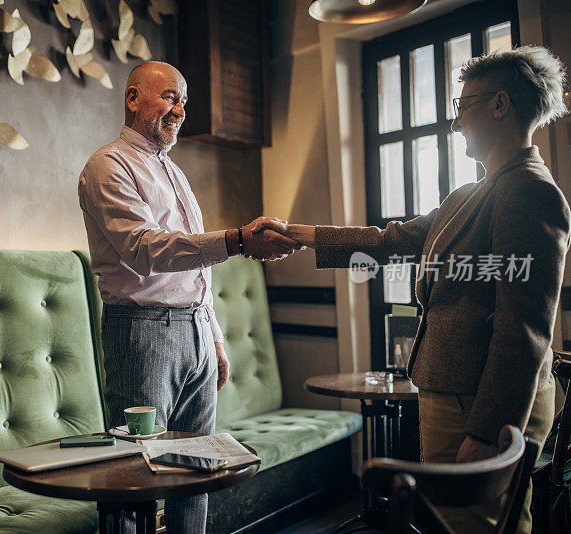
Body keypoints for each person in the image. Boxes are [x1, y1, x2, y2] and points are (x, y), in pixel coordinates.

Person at [258, 45, 569, 533]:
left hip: (482, 405)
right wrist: (298, 235)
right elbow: (389, 242)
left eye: (462, 106)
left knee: (476, 526)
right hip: (452, 396)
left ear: (500, 104)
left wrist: (488, 431)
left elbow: (524, 328)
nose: (456, 121)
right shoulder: (469, 194)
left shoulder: (530, 191)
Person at [77, 61, 298, 533]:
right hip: (141, 333)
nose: (179, 110)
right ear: (133, 99)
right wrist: (237, 240)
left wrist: (213, 336)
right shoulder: (107, 166)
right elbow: (144, 250)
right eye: (169, 97)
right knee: (136, 474)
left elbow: (193, 269)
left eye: (183, 101)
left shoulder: (175, 173)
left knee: (195, 473)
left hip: (195, 330)